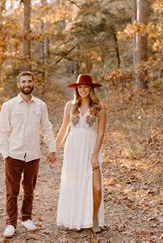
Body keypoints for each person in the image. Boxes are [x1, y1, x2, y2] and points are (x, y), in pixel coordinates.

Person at [0, 71, 57, 238]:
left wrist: (51, 149)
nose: (27, 84)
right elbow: (3, 132)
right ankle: (11, 222)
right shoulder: (8, 106)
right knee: (12, 191)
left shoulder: (41, 106)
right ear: (19, 84)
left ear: (33, 83)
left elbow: (46, 128)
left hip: (33, 154)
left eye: (29, 81)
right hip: (13, 155)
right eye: (23, 81)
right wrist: (5, 154)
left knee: (29, 189)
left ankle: (26, 218)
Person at [55, 74, 106, 233]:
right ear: (77, 89)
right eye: (80, 87)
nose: (83, 90)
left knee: (96, 187)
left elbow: (101, 132)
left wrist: (94, 154)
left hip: (91, 148)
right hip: (73, 148)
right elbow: (64, 129)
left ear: (91, 88)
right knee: (75, 184)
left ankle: (94, 217)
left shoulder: (99, 106)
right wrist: (53, 149)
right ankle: (77, 220)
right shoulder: (70, 106)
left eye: (86, 87)